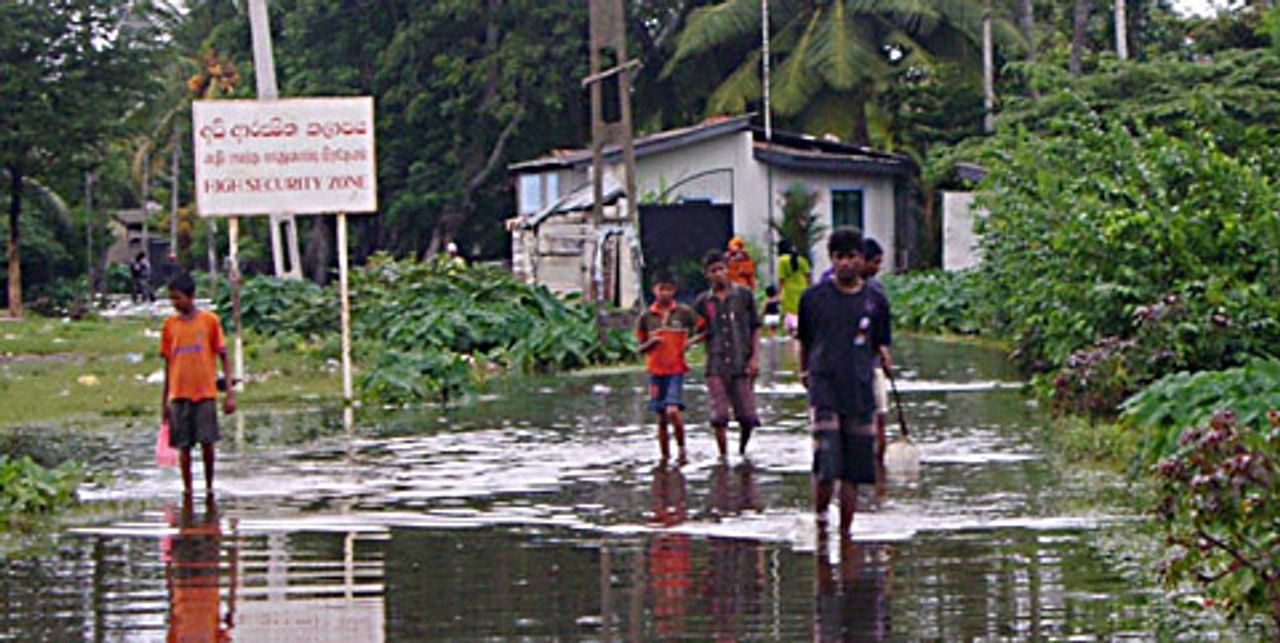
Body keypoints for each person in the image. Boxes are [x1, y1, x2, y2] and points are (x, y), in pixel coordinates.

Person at [798, 228, 892, 537]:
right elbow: (806, 341)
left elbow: (880, 342)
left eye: (852, 256)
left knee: (854, 468)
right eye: (839, 257)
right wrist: (805, 374)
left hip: (860, 388)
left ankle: (846, 533)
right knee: (828, 460)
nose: (846, 263)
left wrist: (885, 359)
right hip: (825, 385)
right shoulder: (813, 299)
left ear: (862, 260)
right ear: (832, 259)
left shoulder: (876, 301)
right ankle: (821, 522)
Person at [161, 273, 236, 497]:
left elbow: (223, 356)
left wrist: (229, 394)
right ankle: (188, 490)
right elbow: (168, 364)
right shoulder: (169, 325)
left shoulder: (209, 321)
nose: (175, 303)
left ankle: (210, 487)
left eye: (178, 298)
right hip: (178, 394)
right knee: (183, 446)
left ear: (191, 296)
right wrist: (164, 402)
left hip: (205, 393)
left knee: (207, 443)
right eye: (172, 299)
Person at [694, 251, 762, 457]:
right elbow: (701, 329)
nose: (718, 274)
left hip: (742, 362)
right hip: (715, 364)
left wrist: (754, 358)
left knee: (747, 416)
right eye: (713, 271)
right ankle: (723, 456)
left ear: (728, 270)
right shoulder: (703, 302)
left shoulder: (743, 295)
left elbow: (755, 327)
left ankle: (742, 451)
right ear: (706, 274)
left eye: (721, 269)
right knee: (719, 416)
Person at [635, 270, 703, 463]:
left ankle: (682, 450)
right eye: (661, 289)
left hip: (676, 369)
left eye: (669, 289)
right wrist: (652, 342)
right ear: (654, 290)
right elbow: (639, 348)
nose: (665, 293)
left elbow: (704, 328)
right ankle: (664, 456)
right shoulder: (646, 317)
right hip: (655, 371)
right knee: (661, 417)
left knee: (673, 410)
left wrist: (690, 342)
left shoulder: (683, 312)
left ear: (674, 290)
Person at [861, 239, 892, 463]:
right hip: (848, 367)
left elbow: (882, 333)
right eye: (875, 262)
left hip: (872, 363)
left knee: (880, 415)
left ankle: (878, 467)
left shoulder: (877, 291)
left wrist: (884, 354)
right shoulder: (832, 290)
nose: (878, 268)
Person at [776, 239, 811, 337]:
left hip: (789, 292)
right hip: (803, 289)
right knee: (801, 313)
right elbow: (808, 276)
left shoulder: (782, 260)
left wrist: (779, 294)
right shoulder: (802, 260)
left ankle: (793, 334)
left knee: (791, 315)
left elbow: (781, 279)